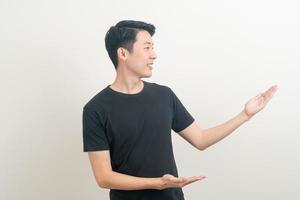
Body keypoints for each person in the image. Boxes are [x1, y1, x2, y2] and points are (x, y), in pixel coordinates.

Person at [82, 20, 278, 200]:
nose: (154, 54)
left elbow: (200, 139)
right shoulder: (96, 109)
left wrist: (244, 115)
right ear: (123, 53)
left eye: (153, 47)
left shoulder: (164, 95)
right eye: (147, 47)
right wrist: (157, 183)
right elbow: (104, 177)